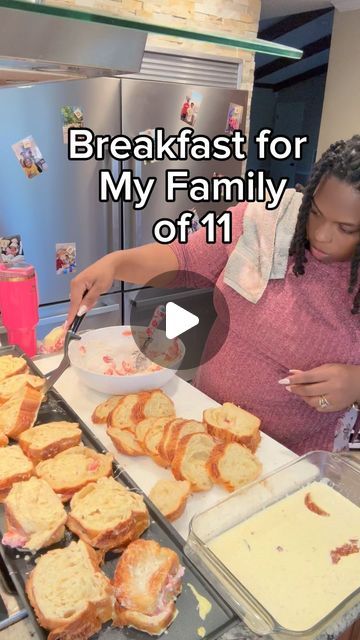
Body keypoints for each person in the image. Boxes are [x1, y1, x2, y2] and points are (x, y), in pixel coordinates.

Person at [68, 136, 360, 455]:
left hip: (295, 455)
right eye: (315, 212)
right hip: (207, 422)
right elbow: (184, 256)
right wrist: (116, 262)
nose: (321, 235)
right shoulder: (263, 219)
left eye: (347, 229)